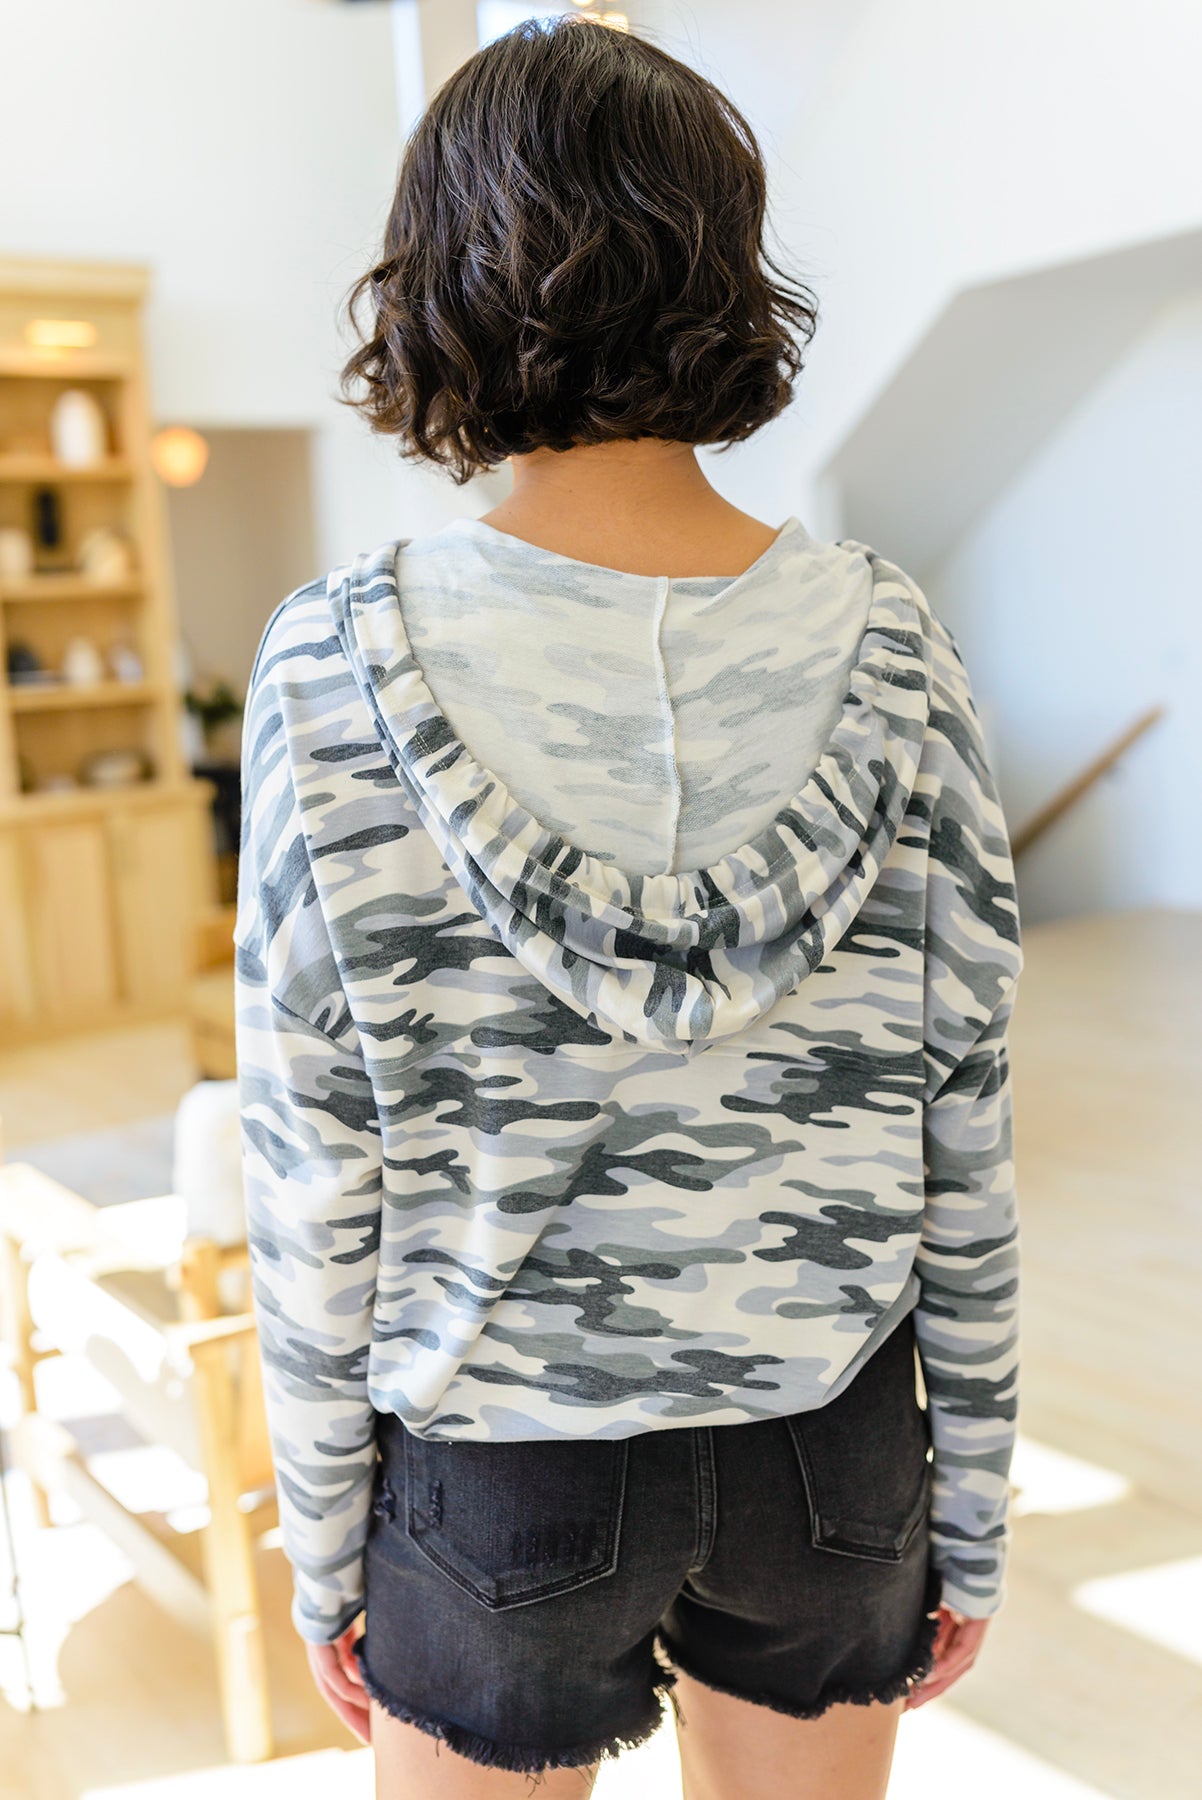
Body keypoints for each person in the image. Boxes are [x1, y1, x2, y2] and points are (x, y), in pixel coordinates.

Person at [233, 15, 1023, 1799]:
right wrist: (970, 1504)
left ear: (439, 277)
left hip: (497, 1464)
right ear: (725, 270)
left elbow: (315, 1161)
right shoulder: (896, 644)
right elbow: (963, 1120)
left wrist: (321, 1540)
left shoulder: (332, 660)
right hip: (830, 1437)